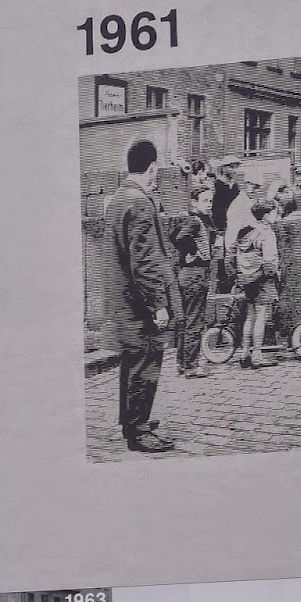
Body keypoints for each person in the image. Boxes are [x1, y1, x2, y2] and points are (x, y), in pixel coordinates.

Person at [103, 138, 181, 453]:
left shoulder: (119, 198)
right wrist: (158, 305)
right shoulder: (141, 203)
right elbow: (145, 263)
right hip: (139, 303)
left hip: (124, 300)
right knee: (145, 364)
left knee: (133, 362)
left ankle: (131, 422)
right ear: (152, 168)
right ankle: (139, 430)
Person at [171, 183, 214, 378]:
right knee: (194, 321)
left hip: (187, 274)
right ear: (194, 202)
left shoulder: (191, 218)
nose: (209, 204)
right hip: (196, 274)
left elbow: (172, 235)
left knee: (185, 320)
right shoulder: (195, 221)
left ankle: (182, 363)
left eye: (210, 200)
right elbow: (178, 238)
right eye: (205, 201)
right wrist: (193, 251)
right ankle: (191, 366)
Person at [234, 198, 281, 368]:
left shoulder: (246, 232)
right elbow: (269, 262)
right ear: (267, 214)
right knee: (261, 317)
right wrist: (274, 273)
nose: (276, 215)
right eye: (275, 212)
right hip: (262, 280)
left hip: (248, 279)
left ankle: (245, 353)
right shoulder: (267, 233)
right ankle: (257, 355)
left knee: (250, 316)